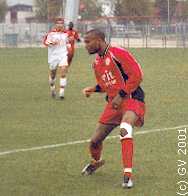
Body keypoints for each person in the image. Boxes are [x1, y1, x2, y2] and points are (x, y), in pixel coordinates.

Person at [81, 29, 145, 189]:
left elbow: (137, 75)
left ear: (99, 40)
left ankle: (127, 176)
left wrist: (121, 94)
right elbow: (105, 85)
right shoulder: (96, 63)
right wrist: (93, 89)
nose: (85, 45)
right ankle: (96, 162)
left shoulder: (118, 53)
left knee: (125, 129)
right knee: (95, 142)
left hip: (131, 98)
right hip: (114, 104)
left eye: (88, 41)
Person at [43, 18, 70, 99]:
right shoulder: (51, 34)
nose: (60, 25)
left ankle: (61, 93)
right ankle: (52, 88)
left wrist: (69, 47)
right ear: (55, 25)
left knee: (63, 70)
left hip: (63, 55)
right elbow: (45, 42)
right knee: (53, 74)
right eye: (58, 23)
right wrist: (52, 42)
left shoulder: (66, 34)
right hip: (53, 56)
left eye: (61, 23)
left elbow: (68, 43)